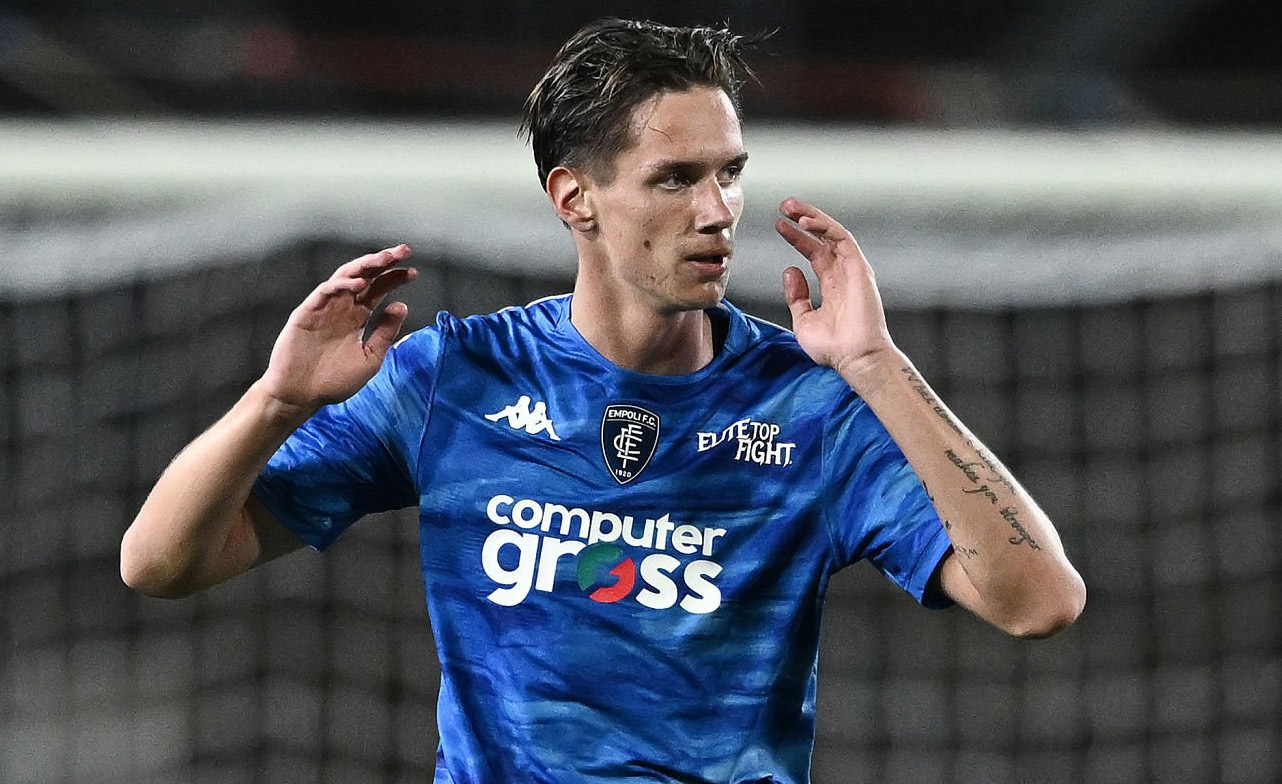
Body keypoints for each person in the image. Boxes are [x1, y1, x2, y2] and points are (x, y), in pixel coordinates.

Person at [121, 18, 1085, 784]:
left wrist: (877, 365)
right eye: (675, 179)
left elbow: (1039, 603)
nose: (717, 212)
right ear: (574, 198)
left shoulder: (807, 407)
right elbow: (160, 564)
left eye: (730, 174)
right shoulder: (456, 378)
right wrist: (278, 401)